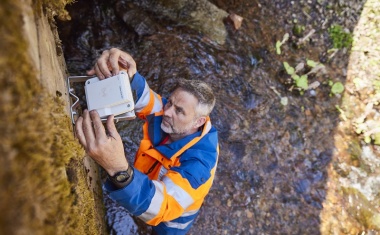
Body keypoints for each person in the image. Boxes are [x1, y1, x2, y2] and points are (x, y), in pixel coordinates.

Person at [75, 48, 219, 235]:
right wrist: (127, 75)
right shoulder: (173, 118)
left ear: (199, 122)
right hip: (151, 186)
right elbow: (147, 100)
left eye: (179, 111)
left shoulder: (198, 165)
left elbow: (163, 207)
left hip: (172, 222)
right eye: (170, 102)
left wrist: (118, 169)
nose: (166, 112)